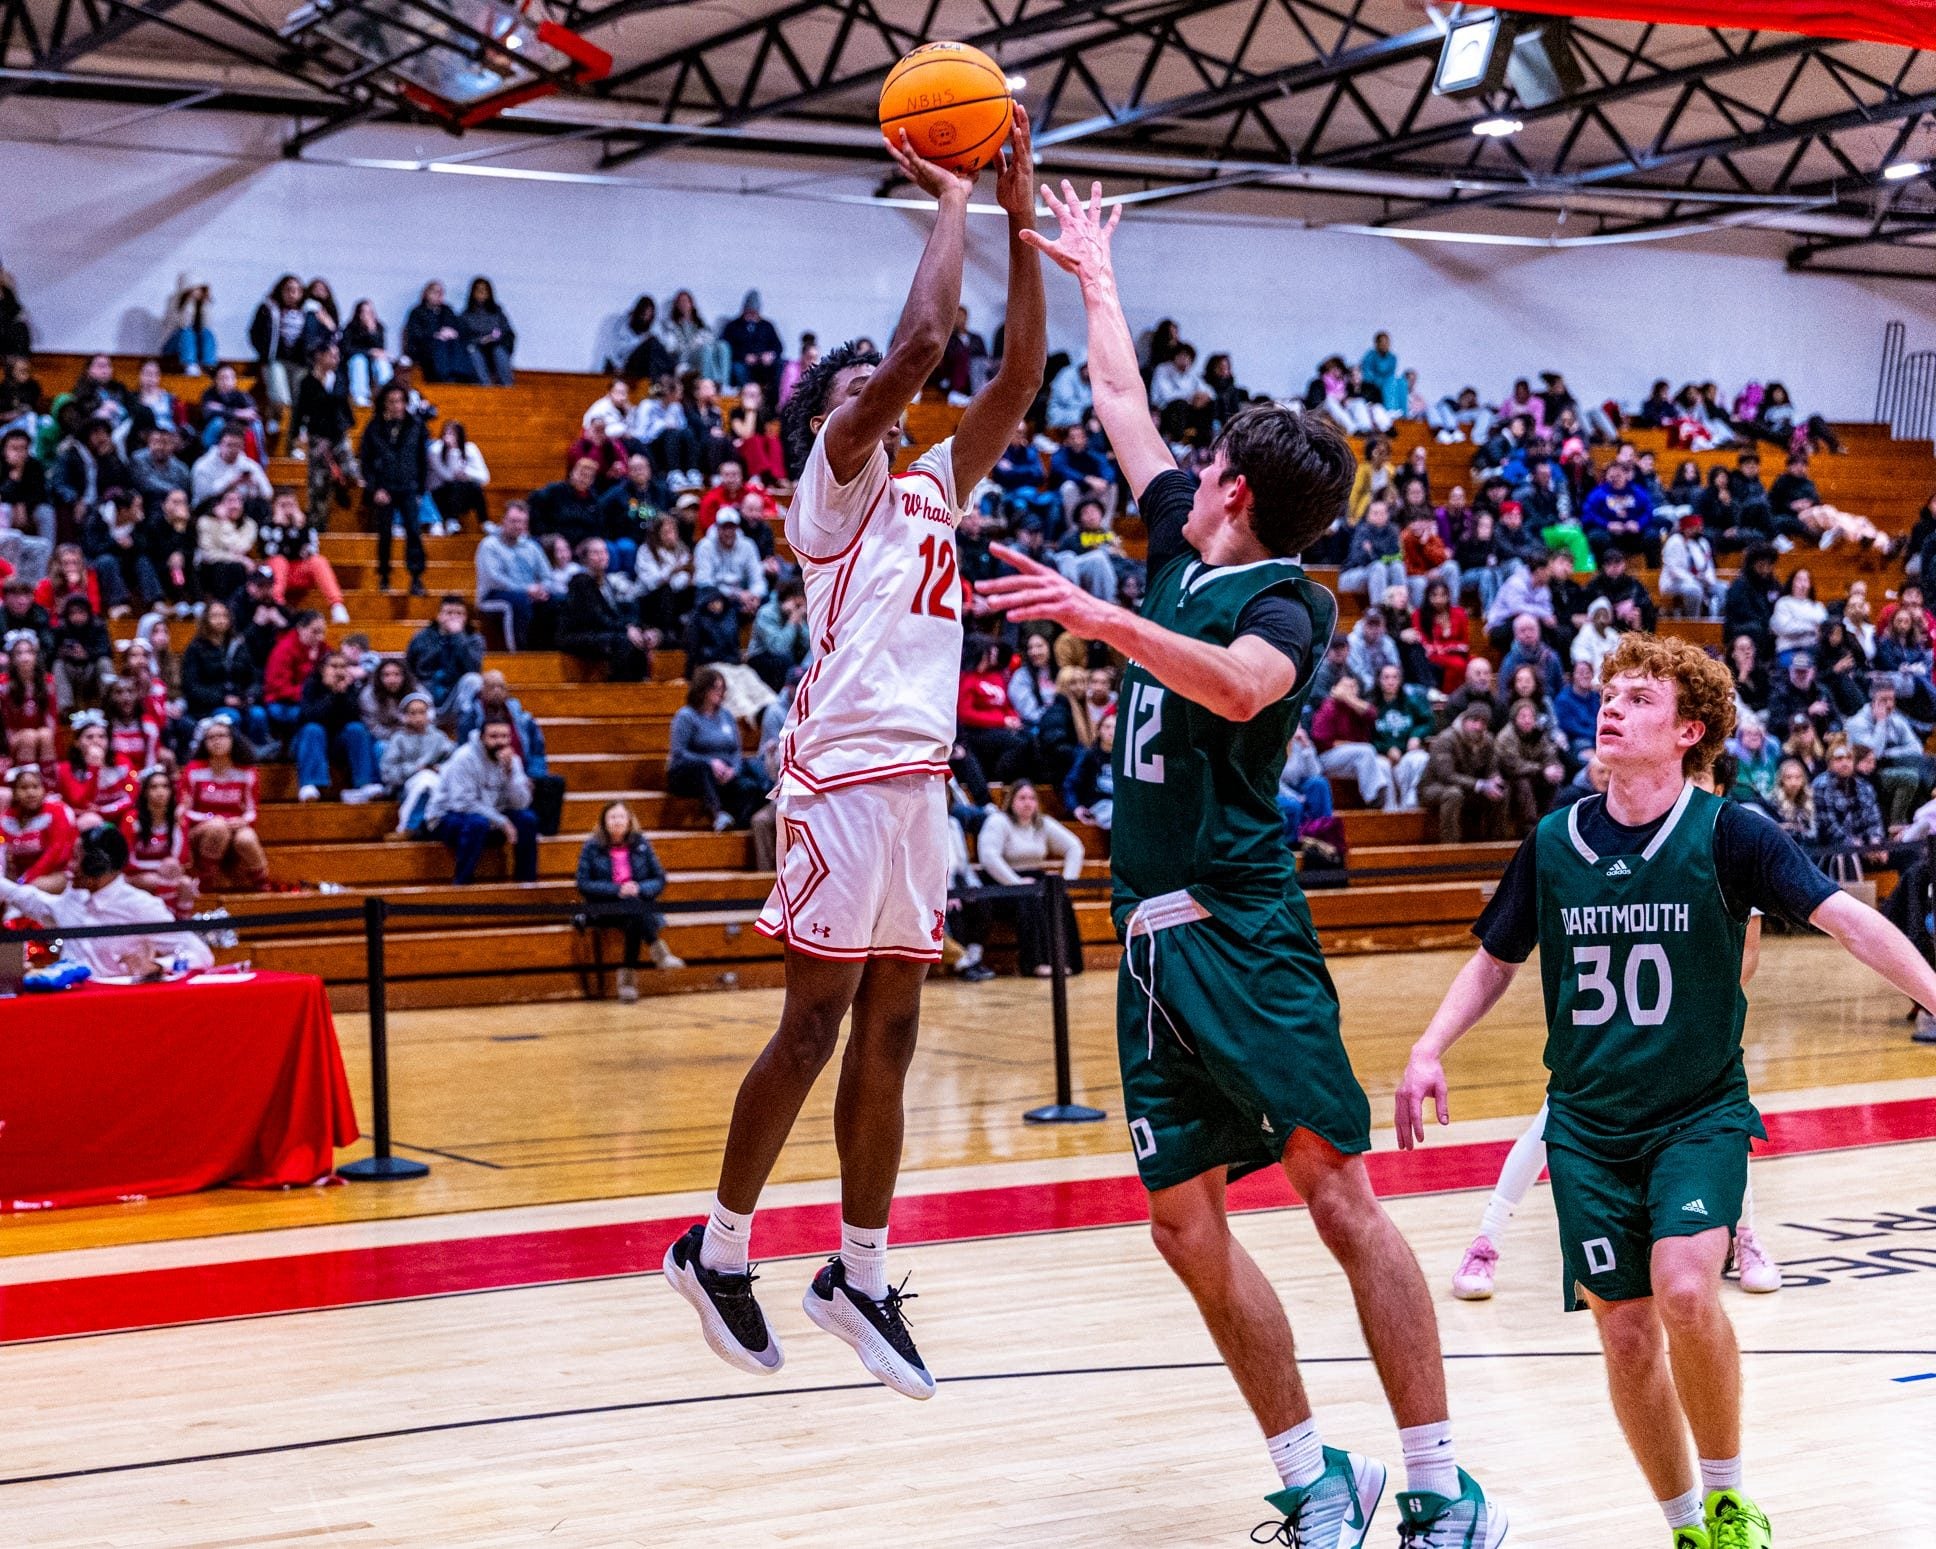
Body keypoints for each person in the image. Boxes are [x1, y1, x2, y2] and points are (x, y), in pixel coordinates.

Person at [977, 178, 1505, 1545]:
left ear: (1235, 488)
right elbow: (1117, 404)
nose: (1184, 462)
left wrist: (1109, 618)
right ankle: (1315, 1481)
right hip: (1150, 943)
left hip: (1241, 928)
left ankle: (1444, 1485)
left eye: (1206, 458)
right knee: (1183, 1225)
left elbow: (1236, 687)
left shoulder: (1282, 601)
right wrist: (1096, 277)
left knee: (1337, 1195)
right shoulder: (1178, 543)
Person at [1397, 631, 1936, 1549]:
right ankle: (1686, 1522)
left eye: (1640, 697)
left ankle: (1728, 1498)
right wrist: (1429, 1045)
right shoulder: (1555, 839)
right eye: (1610, 691)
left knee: (1687, 1287)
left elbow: (1848, 921)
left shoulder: (1730, 832)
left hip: (1696, 1112)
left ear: (1689, 730)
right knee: (1627, 1332)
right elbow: (1495, 958)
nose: (1613, 705)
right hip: (1588, 1124)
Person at [666, 113, 1046, 1405]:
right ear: (826, 422)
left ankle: (860, 1276)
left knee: (891, 1037)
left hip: (921, 785)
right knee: (815, 1025)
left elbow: (1021, 376)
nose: (877, 397)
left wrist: (1020, 209)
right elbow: (928, 344)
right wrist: (947, 195)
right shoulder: (829, 489)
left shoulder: (934, 482)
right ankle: (714, 1250)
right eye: (855, 392)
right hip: (836, 775)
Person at [1449, 754, 1784, 1305]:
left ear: (1719, 786)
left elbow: (1743, 963)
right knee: (1549, 1125)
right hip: (1606, 1040)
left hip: (1690, 1030)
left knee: (1718, 1129)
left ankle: (1743, 1235)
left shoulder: (1728, 841)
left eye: (1702, 779)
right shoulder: (1599, 838)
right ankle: (1487, 1238)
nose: (1690, 785)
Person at [0, 823, 211, 978]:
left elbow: (201, 955)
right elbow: (34, 901)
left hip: (119, 1007)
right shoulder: (74, 896)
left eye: (76, 858)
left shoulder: (141, 906)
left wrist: (157, 965)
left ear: (96, 864)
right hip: (70, 1005)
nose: (70, 867)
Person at [974, 779, 1086, 975]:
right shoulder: (998, 821)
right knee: (1030, 898)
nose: (1028, 803)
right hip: (1002, 882)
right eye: (1022, 798)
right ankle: (1035, 964)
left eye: (1032, 798)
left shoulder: (1043, 823)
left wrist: (1065, 882)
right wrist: (1016, 883)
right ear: (1011, 801)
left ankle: (1065, 961)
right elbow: (989, 858)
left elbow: (1074, 847)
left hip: (1034, 878)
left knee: (1059, 898)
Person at [577, 801, 683, 1001]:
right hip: (604, 907)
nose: (617, 821)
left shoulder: (641, 843)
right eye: (612, 817)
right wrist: (618, 890)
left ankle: (628, 984)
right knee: (635, 909)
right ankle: (658, 953)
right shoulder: (591, 846)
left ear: (629, 820)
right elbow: (583, 884)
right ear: (604, 822)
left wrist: (639, 888)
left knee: (634, 917)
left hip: (635, 906)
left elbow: (659, 878)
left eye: (621, 817)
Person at [426, 716, 538, 884]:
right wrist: (502, 821)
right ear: (482, 738)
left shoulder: (512, 761)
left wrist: (510, 774)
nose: (500, 741)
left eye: (504, 736)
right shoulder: (464, 758)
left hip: (489, 817)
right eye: (493, 736)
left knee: (527, 820)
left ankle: (526, 883)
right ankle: (462, 884)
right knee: (477, 823)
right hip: (446, 817)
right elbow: (462, 803)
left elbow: (521, 803)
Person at [666, 666, 765, 831]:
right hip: (690, 772)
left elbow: (735, 750)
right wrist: (710, 762)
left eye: (722, 688)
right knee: (703, 769)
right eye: (716, 688)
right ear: (703, 689)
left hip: (723, 773)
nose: (720, 693)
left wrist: (733, 769)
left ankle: (738, 824)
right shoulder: (686, 716)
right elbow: (679, 752)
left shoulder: (726, 715)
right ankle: (717, 813)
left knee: (749, 786)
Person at [181, 717, 267, 889]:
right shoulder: (193, 770)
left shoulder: (247, 772)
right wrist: (213, 818)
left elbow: (251, 810)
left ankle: (263, 886)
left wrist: (244, 821)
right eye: (211, 737)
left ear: (232, 739)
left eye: (222, 736)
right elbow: (184, 811)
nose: (217, 741)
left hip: (234, 825)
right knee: (218, 826)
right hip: (200, 830)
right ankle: (205, 882)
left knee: (247, 838)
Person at [360, 382, 430, 594]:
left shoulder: (416, 426)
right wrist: (375, 489)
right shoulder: (373, 428)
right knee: (385, 534)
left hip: (409, 487)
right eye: (391, 401)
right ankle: (384, 576)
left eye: (400, 401)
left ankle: (416, 577)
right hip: (384, 488)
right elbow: (366, 462)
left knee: (414, 532)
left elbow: (422, 461)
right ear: (384, 404)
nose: (396, 405)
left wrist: (420, 490)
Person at [294, 650, 383, 804]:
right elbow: (310, 716)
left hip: (339, 743)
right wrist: (332, 694)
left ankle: (365, 782)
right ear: (323, 669)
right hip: (312, 741)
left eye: (343, 666)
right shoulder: (311, 685)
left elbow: (355, 716)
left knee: (356, 729)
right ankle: (310, 784)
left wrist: (343, 694)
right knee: (313, 729)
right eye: (334, 666)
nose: (339, 671)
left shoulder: (351, 687)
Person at [1421, 701, 1510, 843]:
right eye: (1474, 721)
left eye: (1483, 723)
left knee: (1501, 791)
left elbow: (1492, 768)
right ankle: (1450, 848)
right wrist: (1481, 785)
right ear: (1464, 720)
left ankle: (1496, 844)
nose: (1478, 726)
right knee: (1453, 794)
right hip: (1434, 787)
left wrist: (1495, 779)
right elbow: (1446, 775)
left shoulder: (1488, 741)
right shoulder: (1446, 739)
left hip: (1469, 787)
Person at [474, 499, 554, 650]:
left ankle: (547, 653)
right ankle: (518, 653)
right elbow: (494, 579)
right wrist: (526, 589)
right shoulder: (489, 545)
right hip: (493, 596)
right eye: (514, 521)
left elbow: (547, 575)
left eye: (523, 522)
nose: (518, 526)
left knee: (556, 600)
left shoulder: (531, 546)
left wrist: (542, 589)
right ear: (503, 520)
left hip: (528, 594)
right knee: (518, 602)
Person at [259, 491, 348, 623]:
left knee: (319, 561)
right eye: (283, 505)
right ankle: (278, 606)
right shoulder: (267, 525)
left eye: (291, 505)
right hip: (277, 574)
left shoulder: (305, 524)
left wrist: (300, 528)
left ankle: (337, 606)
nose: (288, 510)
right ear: (274, 506)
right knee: (279, 561)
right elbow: (270, 551)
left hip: (300, 573)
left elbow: (311, 550)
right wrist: (279, 526)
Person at [121, 766, 195, 916]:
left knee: (186, 884)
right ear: (145, 792)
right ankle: (164, 922)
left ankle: (182, 927)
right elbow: (127, 860)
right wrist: (160, 870)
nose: (160, 791)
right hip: (136, 875)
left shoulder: (179, 820)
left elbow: (180, 858)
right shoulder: (131, 819)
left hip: (169, 872)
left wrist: (165, 871)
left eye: (165, 786)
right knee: (153, 880)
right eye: (154, 787)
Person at [405, 594, 485, 726]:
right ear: (439, 616)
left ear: (466, 618)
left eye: (459, 613)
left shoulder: (474, 639)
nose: (453, 617)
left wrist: (458, 637)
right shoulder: (421, 637)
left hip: (455, 696)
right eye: (449, 612)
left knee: (473, 680)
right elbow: (409, 667)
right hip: (425, 694)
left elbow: (473, 668)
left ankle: (465, 727)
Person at [379, 691, 453, 834]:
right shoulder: (398, 739)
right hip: (406, 786)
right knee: (423, 782)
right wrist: (416, 769)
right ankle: (411, 826)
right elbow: (388, 773)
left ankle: (416, 827)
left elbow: (452, 764)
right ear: (405, 716)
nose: (418, 718)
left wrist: (438, 769)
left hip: (436, 782)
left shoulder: (439, 738)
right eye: (413, 713)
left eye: (422, 712)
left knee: (429, 782)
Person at [1, 763, 77, 885]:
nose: (31, 793)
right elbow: (1, 845)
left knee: (35, 887)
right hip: (19, 878)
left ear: (44, 790)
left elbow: (55, 851)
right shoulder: (7, 818)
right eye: (24, 788)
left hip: (55, 873)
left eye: (36, 787)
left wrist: (27, 878)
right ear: (14, 793)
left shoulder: (56, 811)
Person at [460, 277, 516, 386]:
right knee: (473, 352)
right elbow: (463, 338)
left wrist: (495, 338)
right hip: (476, 348)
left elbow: (508, 333)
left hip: (496, 346)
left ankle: (508, 386)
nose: (481, 293)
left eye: (484, 290)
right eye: (478, 290)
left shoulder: (497, 312)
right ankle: (485, 385)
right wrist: (480, 340)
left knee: (499, 351)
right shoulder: (466, 315)